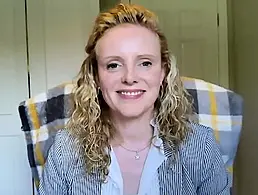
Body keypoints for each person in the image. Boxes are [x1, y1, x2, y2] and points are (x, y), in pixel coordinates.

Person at [38, 3, 230, 195]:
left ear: (163, 72)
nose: (130, 77)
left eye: (145, 63)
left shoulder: (200, 146)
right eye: (113, 65)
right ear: (96, 76)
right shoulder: (66, 150)